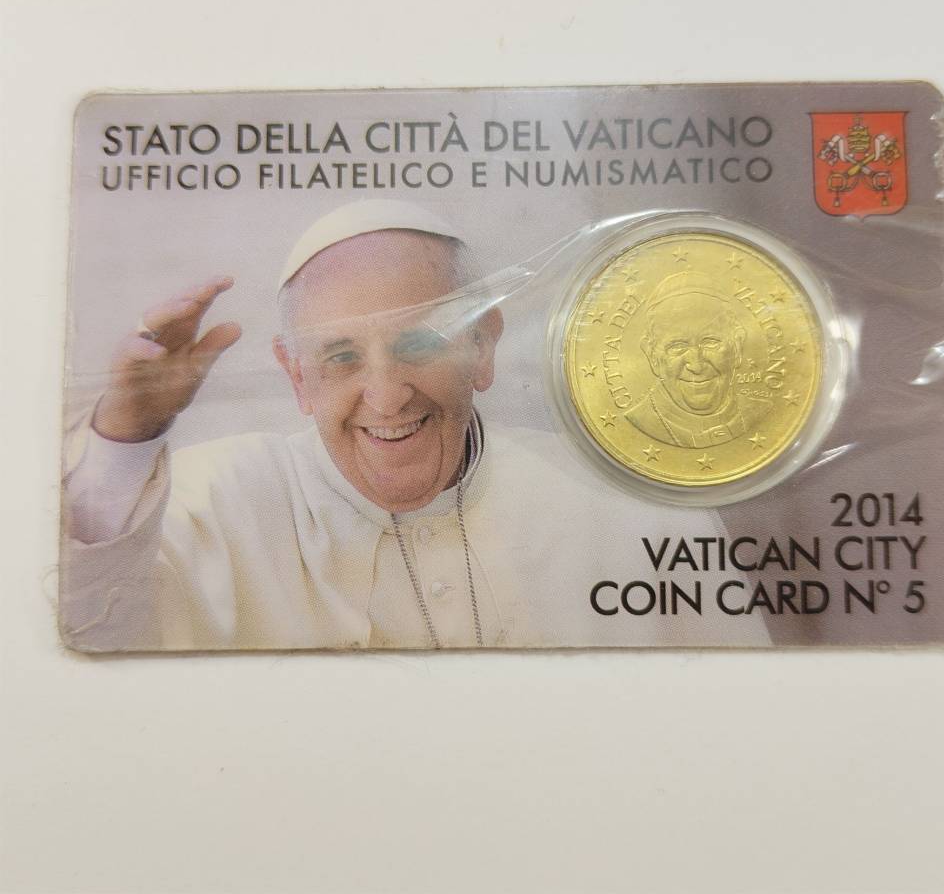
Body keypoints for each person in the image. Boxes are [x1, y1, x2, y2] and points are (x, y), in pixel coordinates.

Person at [62, 200, 770, 651]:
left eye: (419, 344)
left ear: (483, 346)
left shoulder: (630, 506)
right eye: (341, 357)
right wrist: (127, 436)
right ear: (296, 376)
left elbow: (733, 716)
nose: (386, 396)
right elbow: (86, 637)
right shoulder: (214, 502)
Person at [625, 271, 752, 449]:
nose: (696, 365)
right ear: (652, 356)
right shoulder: (638, 423)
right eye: (677, 346)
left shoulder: (760, 413)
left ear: (737, 347)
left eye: (710, 342)